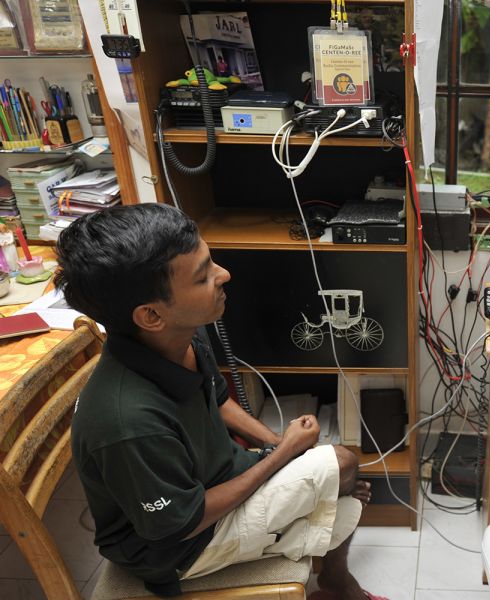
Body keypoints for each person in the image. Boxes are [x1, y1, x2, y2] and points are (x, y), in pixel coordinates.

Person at [55, 204, 383, 599]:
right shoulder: (126, 421)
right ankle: (338, 582)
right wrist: (282, 457)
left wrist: (279, 444)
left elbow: (218, 399)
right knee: (343, 468)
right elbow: (181, 523)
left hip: (211, 483)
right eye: (203, 275)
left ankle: (333, 577)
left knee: (341, 491)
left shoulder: (180, 336)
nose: (223, 274)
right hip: (178, 547)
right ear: (151, 315)